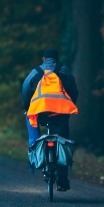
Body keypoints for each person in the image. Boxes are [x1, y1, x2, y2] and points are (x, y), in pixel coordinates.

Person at [22, 48, 78, 191]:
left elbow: (25, 89)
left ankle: (35, 154)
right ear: (56, 59)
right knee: (63, 141)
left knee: (30, 119)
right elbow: (74, 91)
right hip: (60, 113)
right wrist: (70, 106)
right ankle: (62, 179)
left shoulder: (36, 72)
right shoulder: (63, 70)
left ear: (43, 59)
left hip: (40, 112)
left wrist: (26, 106)